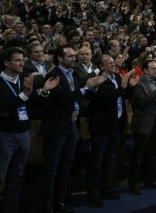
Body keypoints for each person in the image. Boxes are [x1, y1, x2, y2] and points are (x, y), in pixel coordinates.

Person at [0, 47, 59, 213]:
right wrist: (24, 94)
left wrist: (44, 91)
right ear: (6, 63)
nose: (22, 63)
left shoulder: (24, 79)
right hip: (3, 136)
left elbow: (35, 105)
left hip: (24, 133)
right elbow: (4, 110)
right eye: (17, 60)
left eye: (23, 59)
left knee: (16, 179)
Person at [38, 44, 106, 213]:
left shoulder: (73, 73)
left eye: (74, 56)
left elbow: (81, 94)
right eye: (70, 56)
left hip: (72, 125)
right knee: (51, 169)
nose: (74, 58)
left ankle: (59, 202)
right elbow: (63, 98)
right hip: (57, 127)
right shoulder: (53, 75)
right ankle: (46, 207)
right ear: (59, 58)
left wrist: (94, 87)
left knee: (66, 165)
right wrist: (86, 88)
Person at [85, 55, 129, 207]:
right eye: (109, 63)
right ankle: (93, 194)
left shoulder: (117, 77)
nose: (112, 64)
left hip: (115, 125)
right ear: (101, 66)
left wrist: (128, 87)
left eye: (113, 62)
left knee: (109, 159)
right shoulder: (96, 79)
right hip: (101, 126)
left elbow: (121, 98)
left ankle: (106, 188)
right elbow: (105, 100)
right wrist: (122, 88)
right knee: (97, 161)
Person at [128, 59, 156, 194]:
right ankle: (133, 182)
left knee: (152, 153)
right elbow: (142, 103)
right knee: (137, 156)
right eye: (153, 68)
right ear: (145, 70)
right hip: (143, 123)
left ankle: (149, 179)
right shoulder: (140, 83)